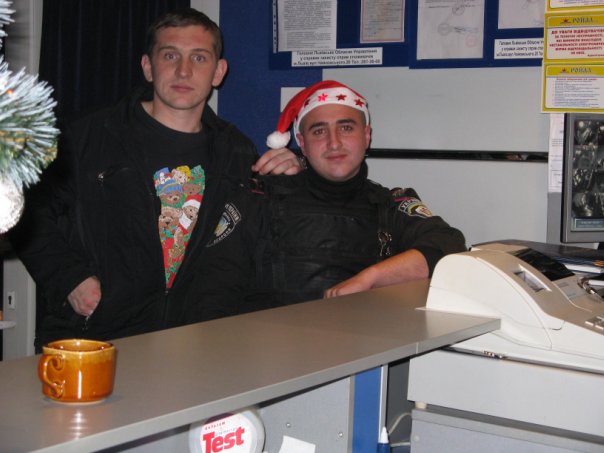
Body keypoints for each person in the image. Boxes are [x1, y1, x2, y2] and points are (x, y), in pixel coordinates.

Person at [8, 8, 301, 350]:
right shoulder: (88, 137)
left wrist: (294, 176)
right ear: (148, 67)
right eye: (170, 55)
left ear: (218, 72)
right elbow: (22, 211)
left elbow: (259, 244)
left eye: (199, 57)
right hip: (96, 340)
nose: (183, 70)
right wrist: (68, 278)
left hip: (193, 345)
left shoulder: (236, 150)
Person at [192, 80, 467, 316]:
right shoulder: (258, 199)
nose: (334, 143)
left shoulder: (389, 204)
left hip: (361, 353)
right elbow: (210, 297)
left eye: (346, 128)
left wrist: (370, 278)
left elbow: (448, 246)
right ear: (302, 143)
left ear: (367, 136)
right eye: (319, 131)